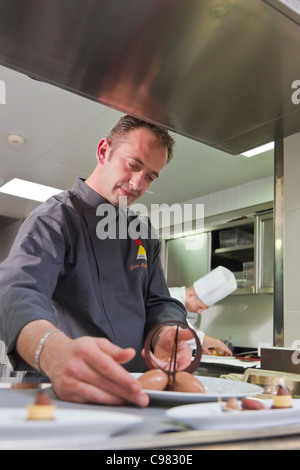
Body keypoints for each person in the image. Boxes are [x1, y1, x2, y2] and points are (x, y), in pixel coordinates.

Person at [0, 115, 193, 407]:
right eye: (133, 164)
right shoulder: (56, 219)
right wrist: (51, 350)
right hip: (67, 392)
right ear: (104, 151)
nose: (138, 183)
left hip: (136, 391)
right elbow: (17, 292)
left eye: (151, 176)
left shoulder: (141, 231)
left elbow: (158, 300)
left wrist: (165, 331)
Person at [169, 266, 237, 356]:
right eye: (200, 307)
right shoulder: (172, 299)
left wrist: (199, 345)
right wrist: (217, 343)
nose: (200, 312)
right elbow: (184, 333)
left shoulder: (183, 304)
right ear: (190, 295)